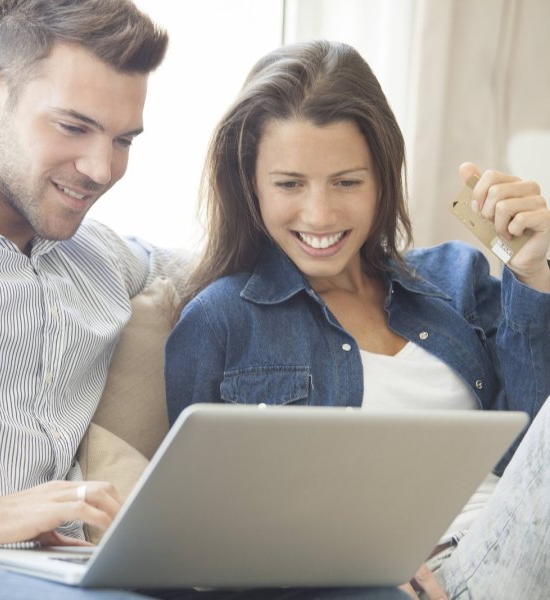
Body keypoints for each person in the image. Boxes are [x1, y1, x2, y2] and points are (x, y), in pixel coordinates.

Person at [0, 2, 408, 599]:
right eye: (74, 127)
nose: (101, 168)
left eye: (124, 140)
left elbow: (252, 259)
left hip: (63, 568)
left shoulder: (104, 258)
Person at [164, 40, 550, 599]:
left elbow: (529, 456)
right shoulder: (220, 322)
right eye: (289, 184)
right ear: (250, 184)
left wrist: (534, 276)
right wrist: (354, 569)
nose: (319, 215)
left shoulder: (455, 278)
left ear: (382, 180)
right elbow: (196, 534)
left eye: (347, 182)